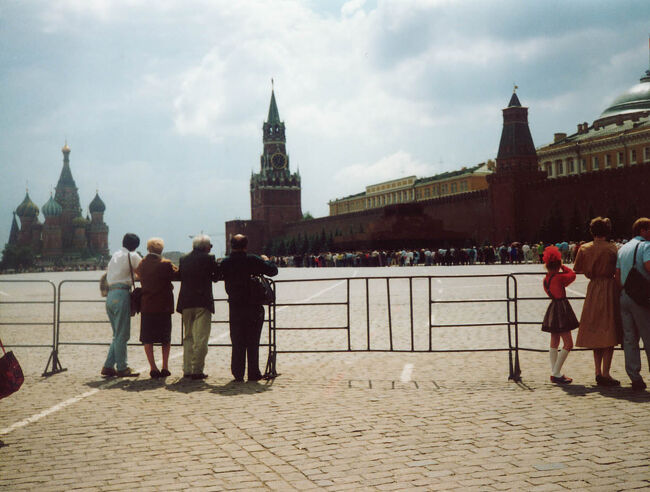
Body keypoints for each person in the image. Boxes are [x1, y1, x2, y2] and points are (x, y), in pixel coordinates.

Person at [220, 234, 278, 382]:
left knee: (237, 340)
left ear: (231, 245)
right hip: (253, 304)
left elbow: (216, 275)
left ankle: (238, 373)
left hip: (235, 306)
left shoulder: (226, 262)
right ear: (246, 246)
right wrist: (266, 260)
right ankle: (253, 373)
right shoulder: (252, 260)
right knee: (253, 340)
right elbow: (273, 271)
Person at [573, 217, 621, 386]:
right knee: (609, 329)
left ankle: (597, 371)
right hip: (609, 287)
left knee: (595, 329)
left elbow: (577, 268)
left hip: (593, 288)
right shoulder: (612, 248)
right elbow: (618, 269)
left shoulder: (584, 248)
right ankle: (606, 373)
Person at [176, 234, 221, 380]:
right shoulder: (209, 258)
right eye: (210, 246)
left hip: (186, 302)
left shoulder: (184, 259)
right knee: (201, 338)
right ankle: (197, 370)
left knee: (188, 337)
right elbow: (216, 276)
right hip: (202, 302)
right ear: (206, 247)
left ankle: (187, 369)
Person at [135, 238, 178, 378]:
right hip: (163, 306)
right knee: (165, 338)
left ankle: (153, 367)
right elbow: (176, 273)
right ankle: (165, 366)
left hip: (147, 305)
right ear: (161, 250)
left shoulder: (142, 264)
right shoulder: (165, 264)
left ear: (148, 249)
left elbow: (138, 275)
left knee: (148, 339)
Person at [615, 217, 650, 391]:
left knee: (629, 338)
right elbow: (649, 266)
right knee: (648, 336)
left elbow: (618, 275)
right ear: (643, 231)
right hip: (642, 298)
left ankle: (634, 377)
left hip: (624, 296)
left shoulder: (623, 248)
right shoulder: (646, 246)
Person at [101, 233, 142, 378]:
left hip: (110, 295)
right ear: (135, 246)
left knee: (117, 334)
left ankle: (108, 366)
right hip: (122, 294)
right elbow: (144, 272)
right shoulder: (133, 256)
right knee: (122, 334)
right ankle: (122, 367)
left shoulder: (115, 255)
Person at [541, 245, 579, 384]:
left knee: (554, 341)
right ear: (558, 264)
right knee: (568, 343)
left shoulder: (546, 279)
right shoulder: (559, 277)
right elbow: (572, 275)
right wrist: (564, 267)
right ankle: (556, 373)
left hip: (553, 308)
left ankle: (555, 371)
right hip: (562, 308)